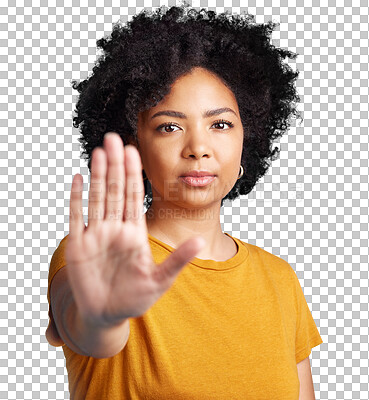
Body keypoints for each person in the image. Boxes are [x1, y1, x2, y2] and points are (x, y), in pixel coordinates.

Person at [45, 3, 323, 399]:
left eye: (220, 124)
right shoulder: (94, 258)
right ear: (134, 143)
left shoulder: (279, 279)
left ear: (250, 137)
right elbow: (88, 329)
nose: (198, 148)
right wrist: (101, 316)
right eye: (169, 126)